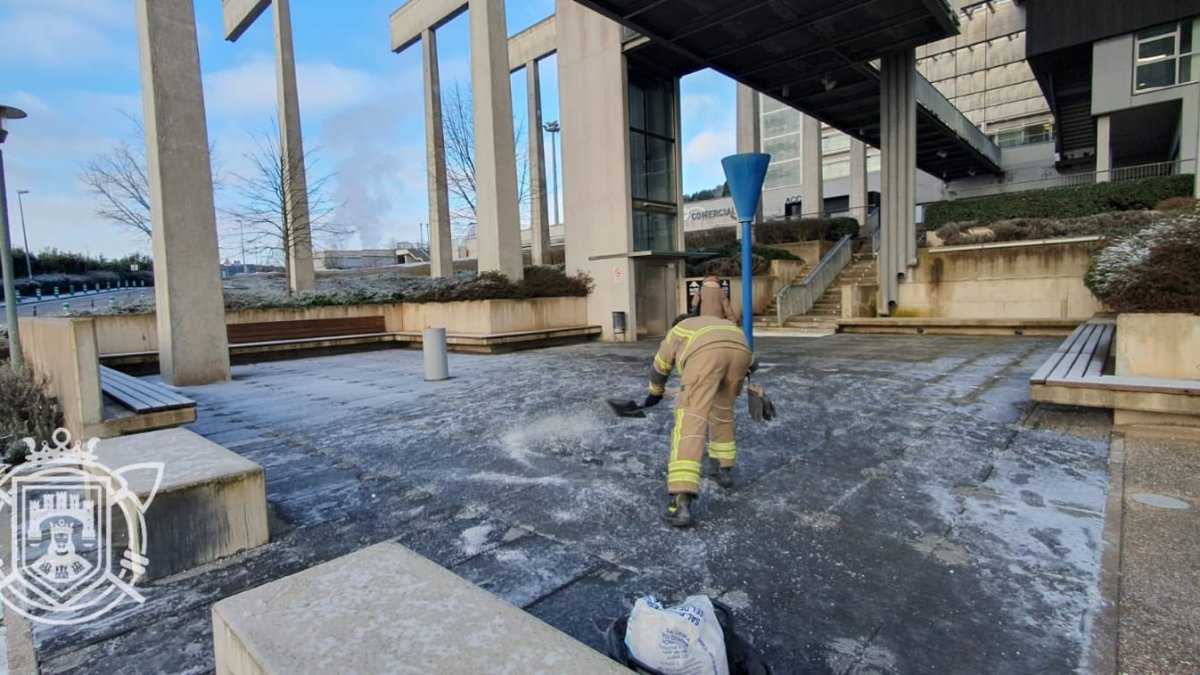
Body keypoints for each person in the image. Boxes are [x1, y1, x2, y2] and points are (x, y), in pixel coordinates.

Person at [643, 314, 753, 527]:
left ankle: (681, 501)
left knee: (690, 419)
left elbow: (659, 367)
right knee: (723, 412)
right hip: (741, 349)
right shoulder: (710, 323)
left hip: (707, 356)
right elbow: (752, 363)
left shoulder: (677, 331)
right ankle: (722, 471)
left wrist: (654, 393)